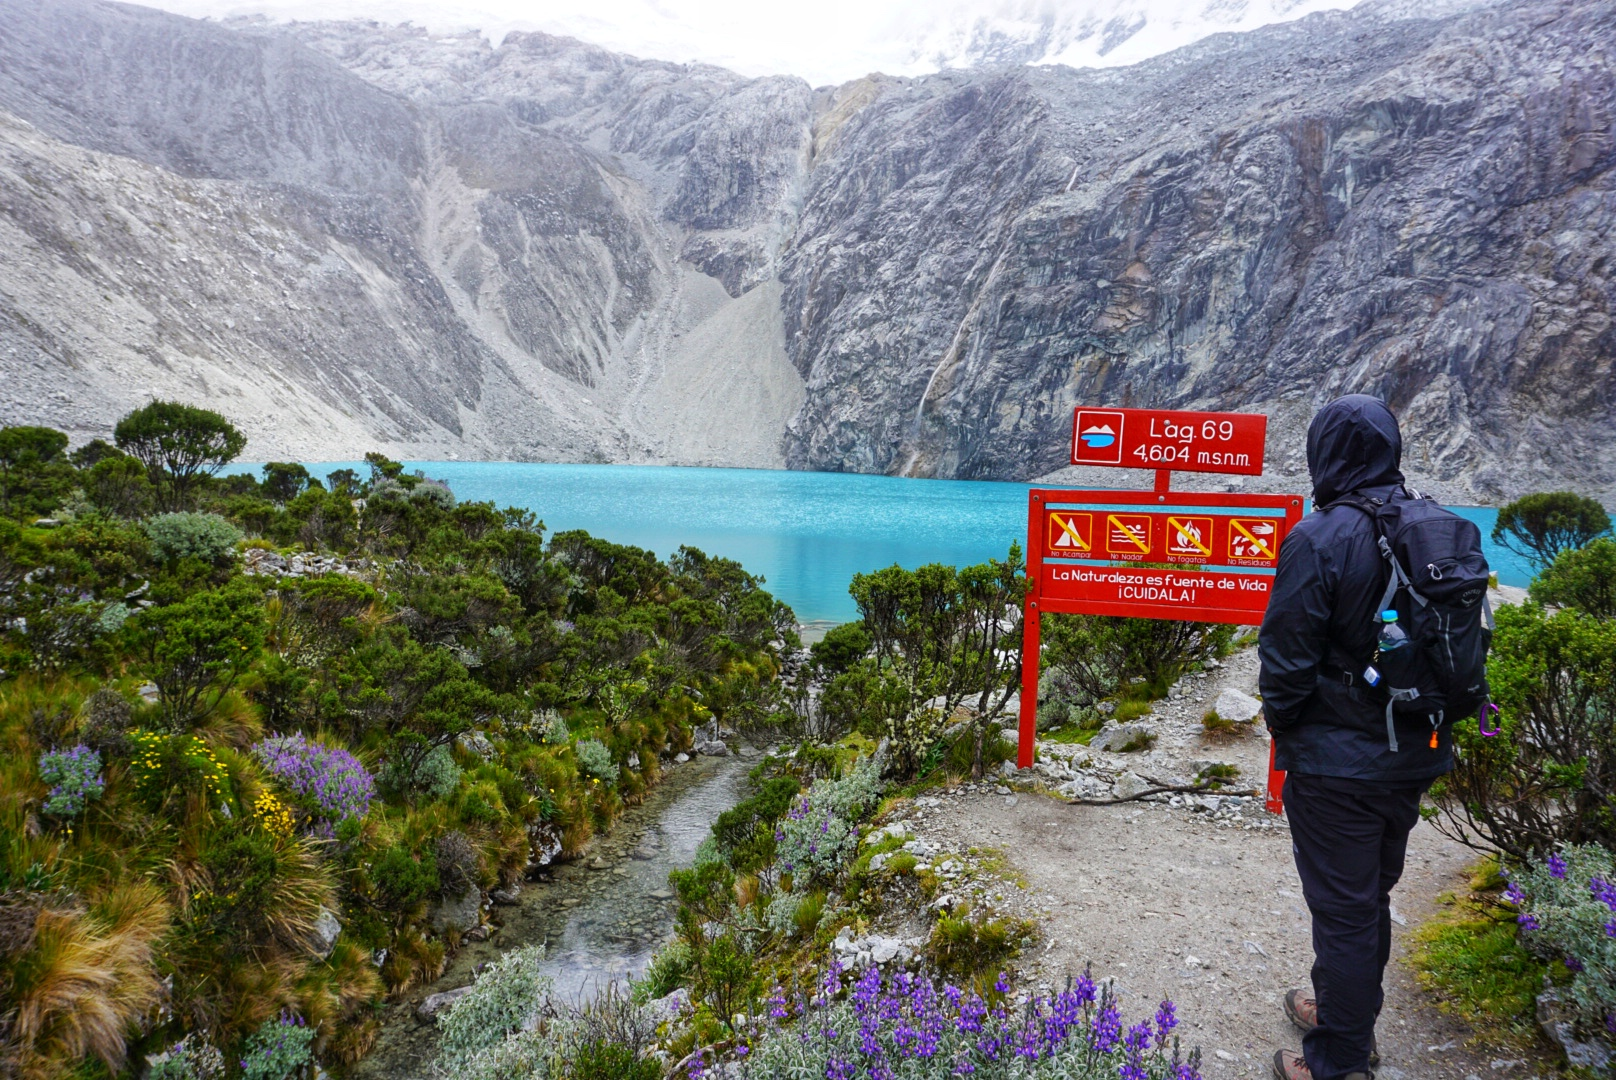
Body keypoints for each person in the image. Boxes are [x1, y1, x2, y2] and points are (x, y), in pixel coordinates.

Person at [1258, 395, 1455, 1080]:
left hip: (1338, 764)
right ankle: (1344, 1015)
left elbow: (1285, 662)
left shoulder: (1319, 537)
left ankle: (1340, 1060)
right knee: (1367, 896)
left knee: (1343, 910)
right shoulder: (1437, 526)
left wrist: (1288, 731)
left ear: (1326, 453)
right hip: (1417, 751)